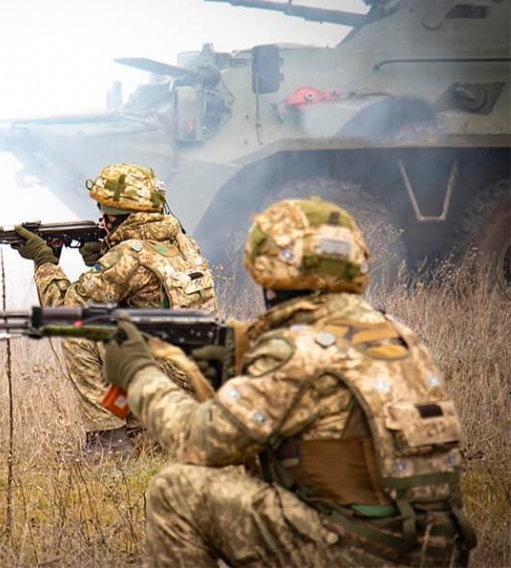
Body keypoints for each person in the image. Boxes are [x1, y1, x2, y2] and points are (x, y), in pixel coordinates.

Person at [103, 197, 476, 566]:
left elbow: (199, 441)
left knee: (175, 491)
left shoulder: (297, 349)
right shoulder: (399, 334)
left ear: (269, 276)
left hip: (358, 553)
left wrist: (138, 372)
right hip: (435, 551)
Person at [13, 163, 218, 458]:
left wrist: (44, 261)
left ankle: (108, 442)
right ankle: (142, 433)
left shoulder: (128, 256)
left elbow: (64, 310)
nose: (101, 221)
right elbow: (139, 297)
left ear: (117, 216)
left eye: (104, 213)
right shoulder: (184, 243)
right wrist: (106, 255)